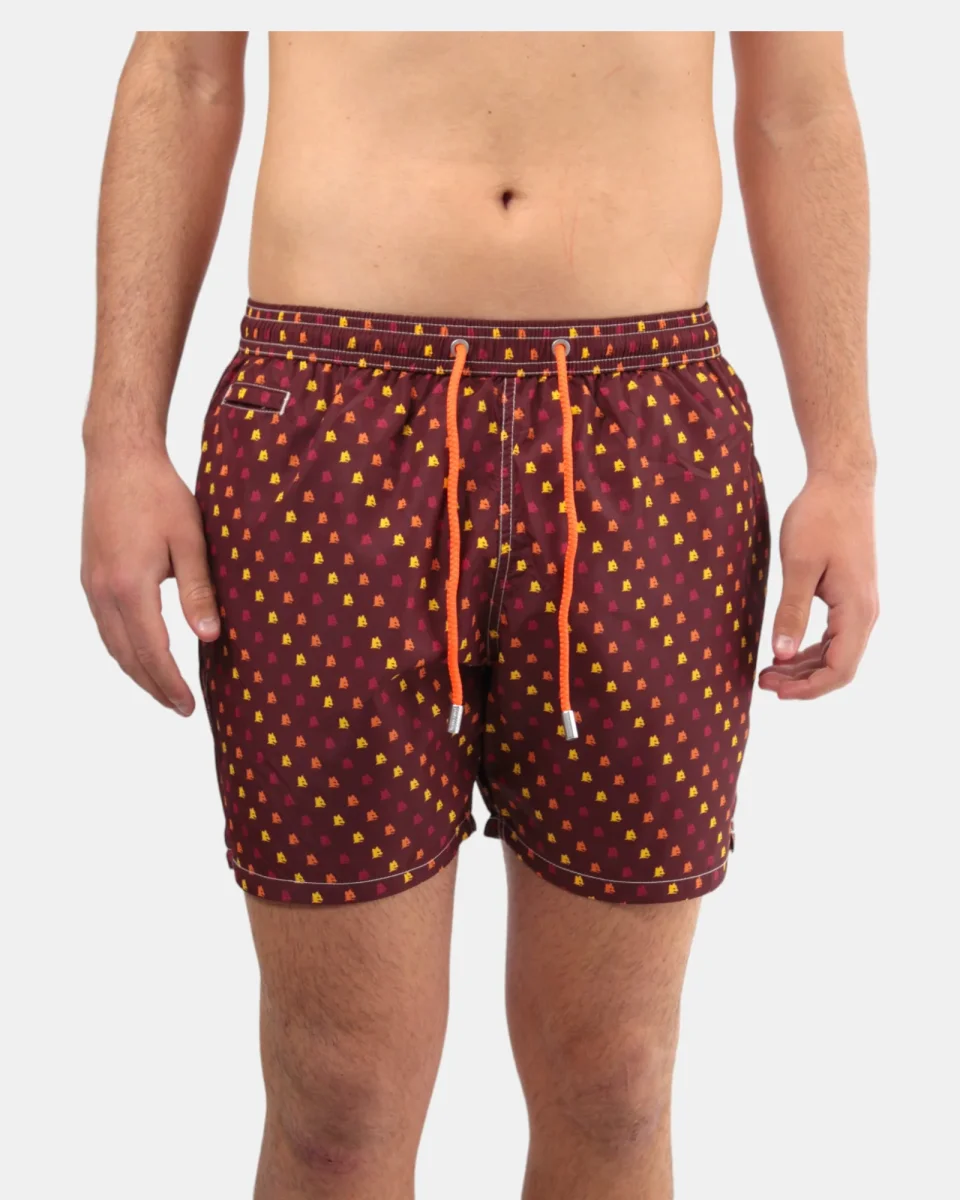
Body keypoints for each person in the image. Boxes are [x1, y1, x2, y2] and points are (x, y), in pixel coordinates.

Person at [81, 31, 878, 1200]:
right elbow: (184, 68)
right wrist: (118, 435)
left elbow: (797, 106)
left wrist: (845, 461)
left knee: (617, 1081)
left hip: (645, 431)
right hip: (329, 425)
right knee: (336, 1097)